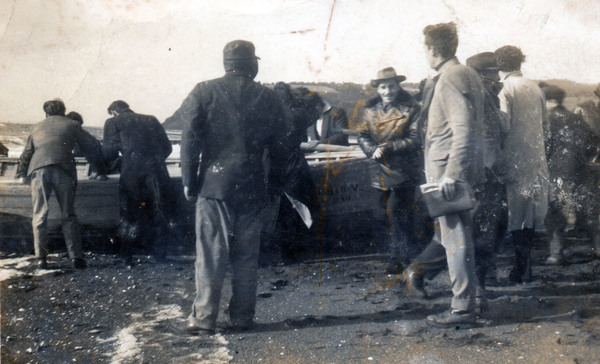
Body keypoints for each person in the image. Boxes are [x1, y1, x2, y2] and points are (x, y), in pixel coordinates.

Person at [169, 40, 288, 335]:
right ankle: (243, 317)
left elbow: (189, 139)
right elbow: (281, 148)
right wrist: (274, 186)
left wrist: (188, 180)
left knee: (211, 255)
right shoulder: (268, 96)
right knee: (247, 256)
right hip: (253, 186)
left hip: (214, 185)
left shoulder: (204, 90)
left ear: (226, 63)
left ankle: (204, 319)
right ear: (252, 64)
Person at [419, 22, 486, 327]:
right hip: (465, 171)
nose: (425, 53)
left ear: (433, 49)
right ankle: (474, 299)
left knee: (455, 240)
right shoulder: (470, 74)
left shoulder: (448, 78)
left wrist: (451, 174)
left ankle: (462, 307)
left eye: (425, 47)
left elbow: (464, 130)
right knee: (464, 239)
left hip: (449, 176)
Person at [16, 99, 104, 269]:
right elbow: (91, 145)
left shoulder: (36, 126)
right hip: (63, 169)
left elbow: (27, 152)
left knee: (39, 214)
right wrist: (97, 168)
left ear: (46, 113)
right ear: (63, 112)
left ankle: (41, 258)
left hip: (38, 168)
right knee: (68, 214)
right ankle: (76, 257)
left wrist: (21, 173)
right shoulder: (72, 124)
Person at [356, 67, 421, 274]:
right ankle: (396, 253)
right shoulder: (370, 110)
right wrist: (371, 149)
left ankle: (401, 259)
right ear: (378, 89)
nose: (387, 91)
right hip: (378, 170)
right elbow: (362, 135)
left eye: (391, 86)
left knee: (399, 214)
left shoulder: (411, 108)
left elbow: (414, 139)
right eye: (383, 87)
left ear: (398, 86)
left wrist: (389, 147)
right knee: (379, 214)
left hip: (403, 170)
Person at [495, 45, 550, 284]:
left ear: (499, 65)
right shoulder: (535, 87)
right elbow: (545, 127)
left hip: (514, 160)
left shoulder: (505, 88)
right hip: (536, 159)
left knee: (515, 215)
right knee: (529, 215)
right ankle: (524, 268)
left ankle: (522, 269)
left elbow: (503, 126)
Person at [102, 100, 174, 266]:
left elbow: (109, 151)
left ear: (113, 112)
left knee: (129, 213)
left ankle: (127, 257)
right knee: (159, 212)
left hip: (132, 172)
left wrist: (119, 163)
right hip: (157, 171)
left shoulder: (113, 122)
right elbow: (167, 147)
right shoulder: (151, 119)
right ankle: (160, 257)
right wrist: (153, 162)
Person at [542, 84, 600, 264]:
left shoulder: (547, 120)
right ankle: (598, 248)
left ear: (548, 101)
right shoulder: (575, 118)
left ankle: (556, 254)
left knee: (556, 212)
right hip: (584, 169)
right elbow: (592, 142)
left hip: (558, 172)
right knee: (590, 211)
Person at [65, 111, 108, 181]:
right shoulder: (84, 133)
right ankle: (98, 171)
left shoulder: (77, 132)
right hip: (94, 156)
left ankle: (97, 171)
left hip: (84, 154)